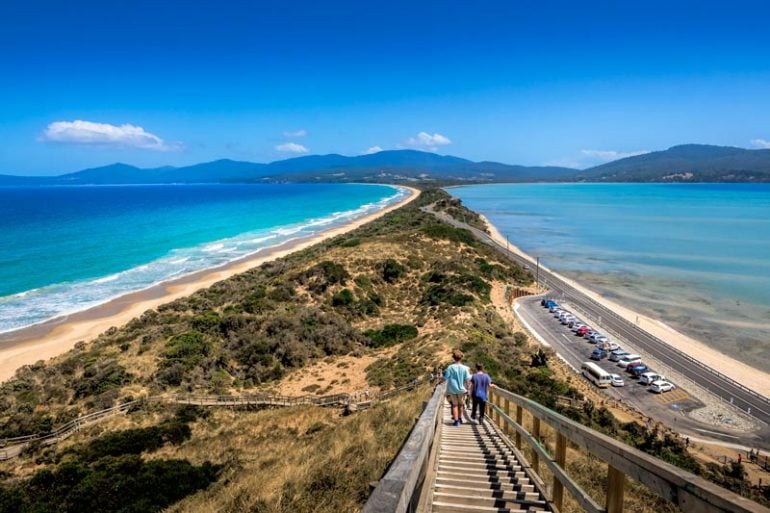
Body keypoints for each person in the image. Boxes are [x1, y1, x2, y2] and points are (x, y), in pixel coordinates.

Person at [443, 349, 471, 427]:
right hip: (462, 389)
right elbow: (468, 380)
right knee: (461, 405)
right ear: (461, 358)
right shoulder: (465, 368)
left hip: (452, 389)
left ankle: (456, 421)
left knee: (455, 405)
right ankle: (459, 418)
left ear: (453, 357)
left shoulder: (450, 367)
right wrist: (468, 390)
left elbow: (445, 378)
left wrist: (440, 381)